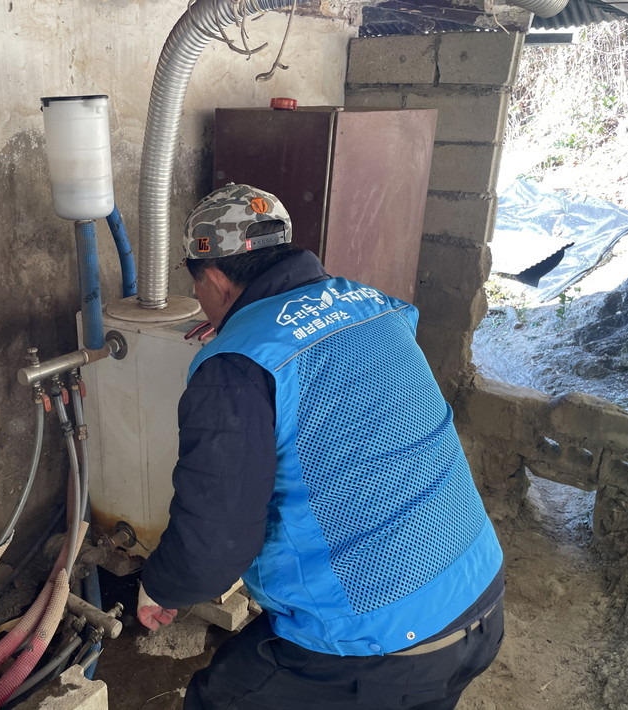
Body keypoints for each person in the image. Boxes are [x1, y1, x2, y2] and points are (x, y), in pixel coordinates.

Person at [137, 183, 505, 710]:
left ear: (213, 279)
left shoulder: (237, 367)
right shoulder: (375, 305)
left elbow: (215, 544)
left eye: (196, 287)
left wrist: (162, 586)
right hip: (479, 591)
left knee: (219, 699)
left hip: (382, 642)